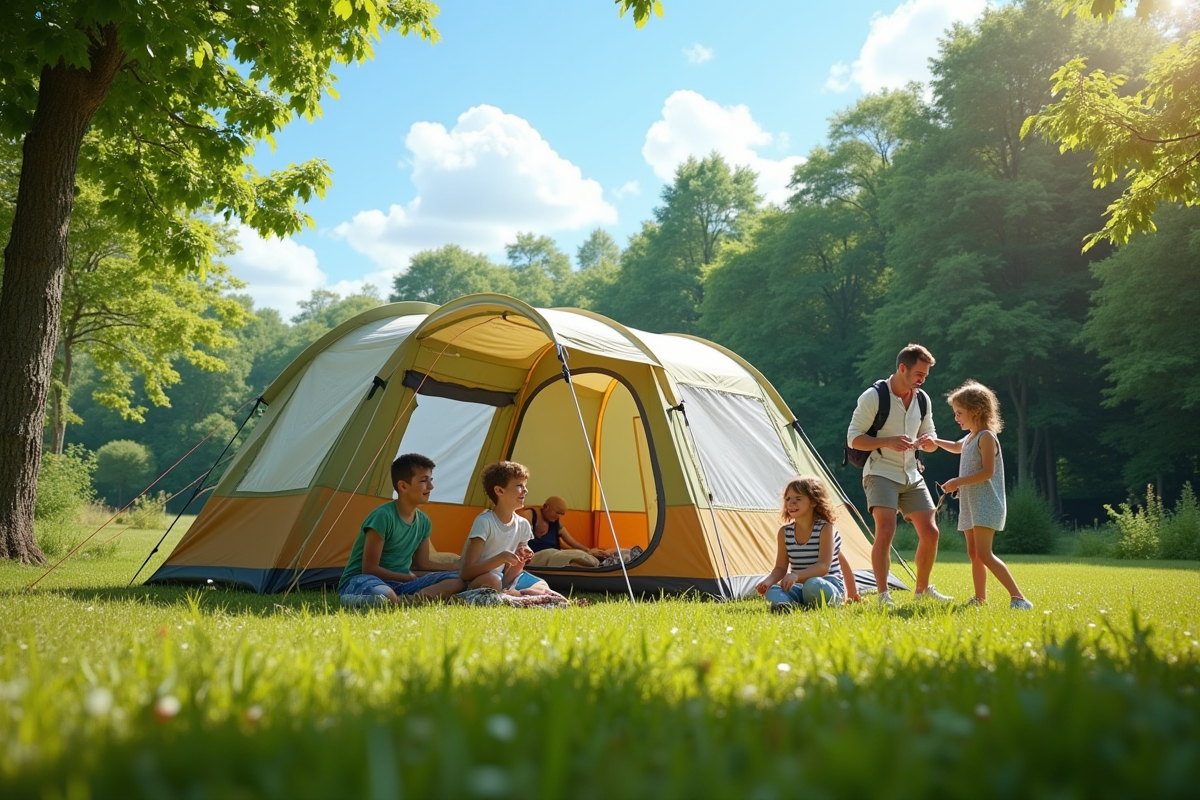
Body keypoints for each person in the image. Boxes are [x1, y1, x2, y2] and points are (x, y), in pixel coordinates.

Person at [846, 343, 951, 607]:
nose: (922, 379)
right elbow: (853, 439)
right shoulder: (873, 396)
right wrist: (888, 441)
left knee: (931, 532)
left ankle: (922, 590)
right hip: (880, 471)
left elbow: (931, 433)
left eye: (925, 375)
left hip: (912, 473)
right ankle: (883, 595)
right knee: (886, 530)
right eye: (918, 373)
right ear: (902, 368)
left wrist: (929, 442)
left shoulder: (922, 399)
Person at [934, 381, 1033, 610]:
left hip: (987, 504)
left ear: (975, 411)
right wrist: (934, 441)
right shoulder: (970, 437)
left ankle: (1019, 598)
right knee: (973, 553)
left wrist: (957, 482)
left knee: (985, 554)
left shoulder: (986, 437)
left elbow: (987, 472)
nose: (956, 418)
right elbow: (956, 447)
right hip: (971, 504)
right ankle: (980, 598)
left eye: (959, 413)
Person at [338, 454, 465, 607]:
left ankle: (405, 600)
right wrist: (406, 577)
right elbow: (369, 568)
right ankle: (384, 599)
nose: (431, 487)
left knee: (456, 580)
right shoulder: (383, 516)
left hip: (400, 583)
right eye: (424, 481)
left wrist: (457, 568)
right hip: (364, 579)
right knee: (383, 593)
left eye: (430, 480)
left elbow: (423, 564)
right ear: (403, 486)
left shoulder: (424, 522)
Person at [757, 478, 860, 611]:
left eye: (798, 498)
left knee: (812, 584)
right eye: (788, 499)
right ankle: (788, 605)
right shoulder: (784, 533)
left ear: (813, 501)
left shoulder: (825, 529)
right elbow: (780, 568)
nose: (791, 502)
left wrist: (796, 575)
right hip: (799, 585)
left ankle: (822, 602)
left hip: (826, 583)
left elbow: (823, 567)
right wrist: (768, 582)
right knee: (774, 590)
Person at [459, 461, 553, 596]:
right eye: (519, 486)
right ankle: (511, 595)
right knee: (492, 581)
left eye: (525, 486)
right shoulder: (485, 522)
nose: (526, 490)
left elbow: (513, 571)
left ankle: (508, 593)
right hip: (480, 579)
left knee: (542, 586)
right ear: (499, 491)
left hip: (504, 579)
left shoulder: (523, 524)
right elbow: (466, 573)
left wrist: (522, 556)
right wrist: (501, 558)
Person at [522, 496, 613, 568]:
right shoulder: (529, 515)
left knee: (578, 554)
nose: (558, 517)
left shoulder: (555, 523)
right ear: (546, 506)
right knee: (564, 557)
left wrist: (588, 551)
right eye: (557, 513)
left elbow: (572, 542)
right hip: (537, 556)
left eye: (561, 514)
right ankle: (593, 568)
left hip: (555, 554)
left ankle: (600, 564)